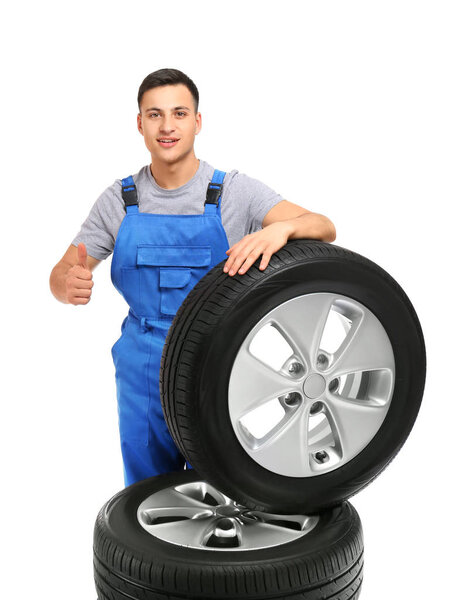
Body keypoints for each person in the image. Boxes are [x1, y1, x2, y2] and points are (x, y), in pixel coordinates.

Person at [49, 68, 336, 487]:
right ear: (140, 124)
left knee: (224, 481)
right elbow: (62, 271)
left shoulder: (234, 191)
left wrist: (281, 229)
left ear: (197, 122)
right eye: (155, 115)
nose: (167, 126)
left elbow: (324, 226)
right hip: (142, 361)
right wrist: (66, 284)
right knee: (147, 487)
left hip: (219, 356)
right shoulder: (119, 200)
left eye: (179, 113)